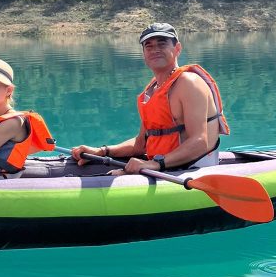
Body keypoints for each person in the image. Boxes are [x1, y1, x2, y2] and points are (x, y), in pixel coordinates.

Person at [72, 22, 229, 174]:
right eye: (149, 46)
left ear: (177, 49)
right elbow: (140, 144)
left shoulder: (189, 83)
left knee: (117, 174)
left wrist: (155, 164)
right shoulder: (152, 90)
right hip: (164, 166)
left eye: (162, 44)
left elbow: (200, 142)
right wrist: (103, 151)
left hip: (191, 169)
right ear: (144, 54)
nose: (155, 50)